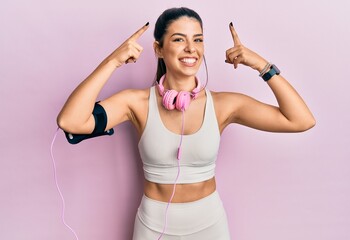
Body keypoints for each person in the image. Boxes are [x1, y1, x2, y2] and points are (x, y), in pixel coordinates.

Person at [57, 7, 315, 240]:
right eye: (179, 39)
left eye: (198, 40)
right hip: (152, 225)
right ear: (158, 49)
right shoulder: (134, 103)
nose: (191, 49)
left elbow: (300, 120)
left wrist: (261, 65)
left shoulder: (225, 105)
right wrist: (113, 61)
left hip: (210, 224)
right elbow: (71, 120)